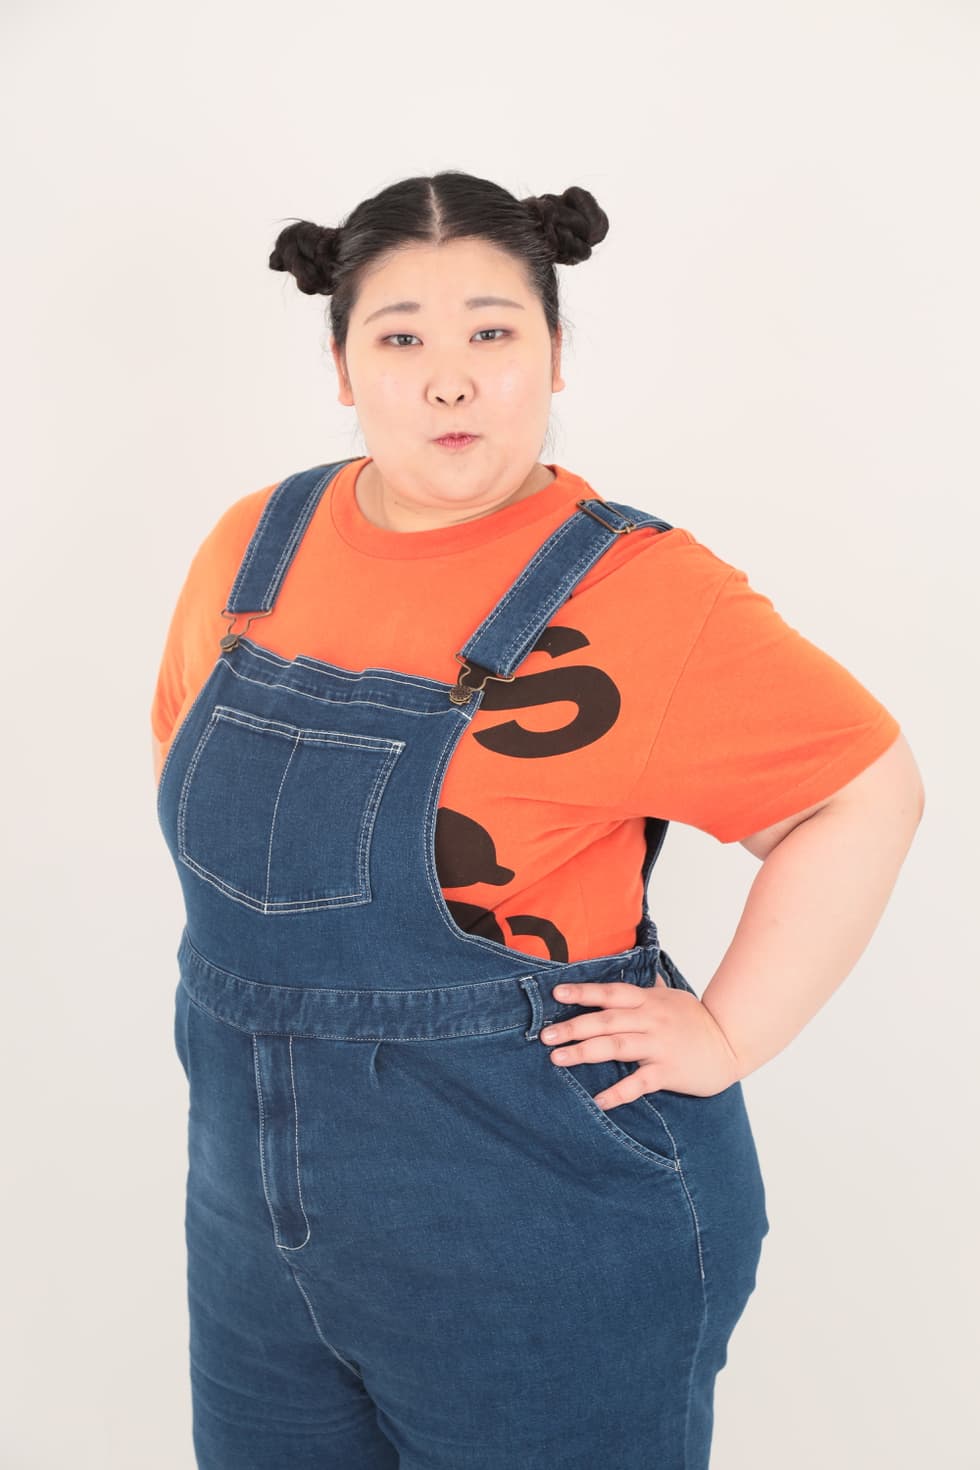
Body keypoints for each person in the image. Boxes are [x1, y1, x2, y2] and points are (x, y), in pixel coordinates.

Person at [151, 170, 924, 1470]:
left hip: (539, 1224)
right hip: (250, 1231)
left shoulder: (648, 592)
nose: (449, 380)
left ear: (556, 354)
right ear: (342, 366)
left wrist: (729, 1030)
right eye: (401, 336)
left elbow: (865, 791)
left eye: (492, 332)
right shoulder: (252, 550)